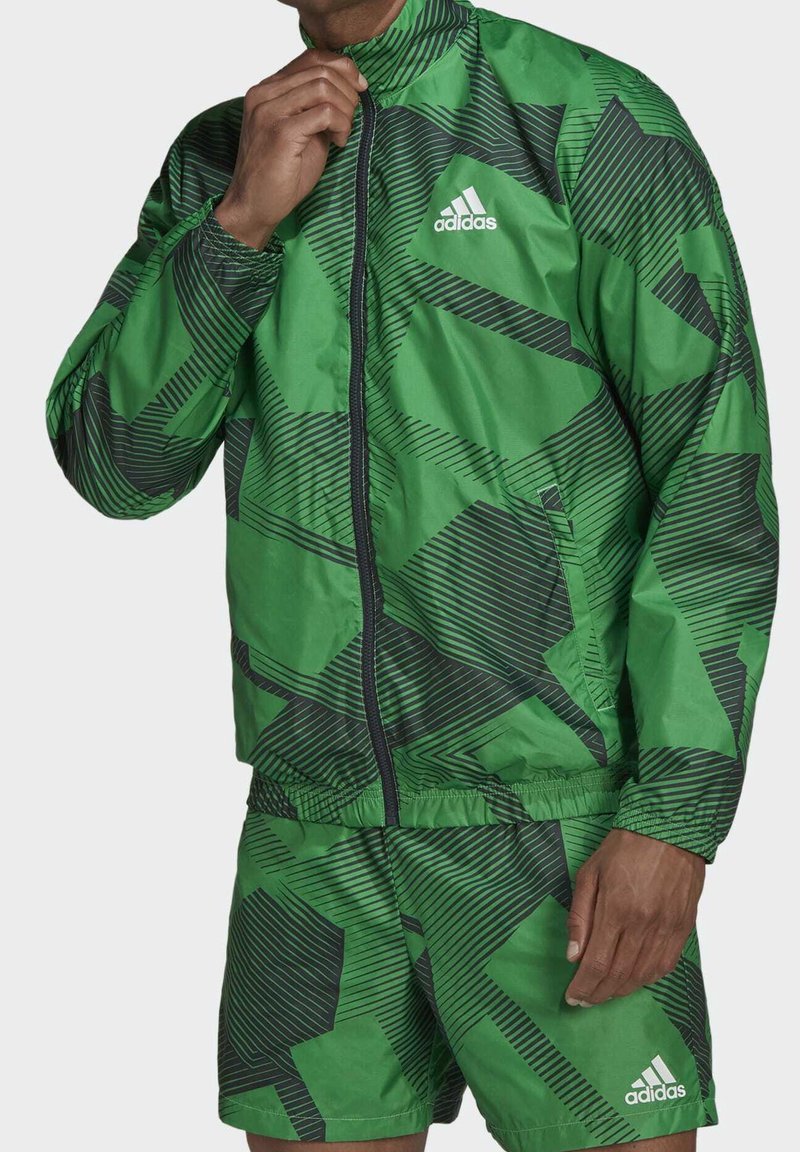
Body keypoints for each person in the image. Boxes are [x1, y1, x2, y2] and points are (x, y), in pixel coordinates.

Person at [45, 1, 779, 1150]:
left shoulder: (587, 119)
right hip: (311, 830)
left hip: (555, 823)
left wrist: (673, 817)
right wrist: (239, 228)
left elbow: (711, 477)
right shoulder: (223, 155)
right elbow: (114, 464)